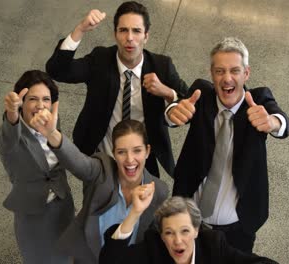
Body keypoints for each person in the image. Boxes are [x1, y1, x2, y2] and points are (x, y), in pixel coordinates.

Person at [166, 37, 289, 253]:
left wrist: (272, 122)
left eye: (235, 70)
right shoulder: (201, 94)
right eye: (220, 71)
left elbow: (284, 123)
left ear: (246, 73)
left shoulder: (259, 99)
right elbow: (179, 109)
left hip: (239, 227)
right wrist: (172, 112)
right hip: (189, 221)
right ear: (211, 74)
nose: (227, 78)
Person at [46, 1, 188, 177]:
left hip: (142, 162)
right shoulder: (100, 59)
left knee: (143, 204)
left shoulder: (161, 66)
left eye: (136, 31)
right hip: (101, 159)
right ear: (115, 34)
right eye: (123, 30)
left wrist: (167, 92)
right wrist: (80, 29)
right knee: (98, 204)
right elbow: (57, 71)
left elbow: (187, 103)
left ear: (146, 36)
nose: (130, 38)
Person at [29, 101, 169, 264]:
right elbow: (79, 163)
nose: (130, 160)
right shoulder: (101, 170)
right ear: (114, 153)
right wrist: (52, 134)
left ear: (147, 151)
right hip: (88, 258)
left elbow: (152, 236)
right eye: (122, 152)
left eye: (137, 150)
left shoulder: (159, 190)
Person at [0, 70, 73, 264]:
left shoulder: (52, 122)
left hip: (62, 206)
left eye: (46, 99)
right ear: (22, 104)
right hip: (33, 216)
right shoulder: (12, 134)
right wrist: (11, 115)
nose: (40, 105)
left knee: (70, 256)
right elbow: (5, 141)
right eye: (32, 99)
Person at [100, 196, 278, 264]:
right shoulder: (152, 249)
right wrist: (135, 213)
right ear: (161, 236)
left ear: (196, 231)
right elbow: (111, 261)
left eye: (185, 231)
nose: (178, 240)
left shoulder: (213, 246)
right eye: (169, 233)